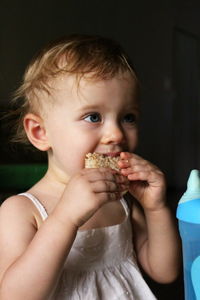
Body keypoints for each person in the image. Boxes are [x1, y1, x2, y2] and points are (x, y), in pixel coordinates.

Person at [0, 34, 181, 300]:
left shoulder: (121, 200)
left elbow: (164, 271)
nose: (116, 134)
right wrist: (66, 217)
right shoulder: (21, 211)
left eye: (128, 117)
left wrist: (156, 208)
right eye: (93, 117)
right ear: (40, 132)